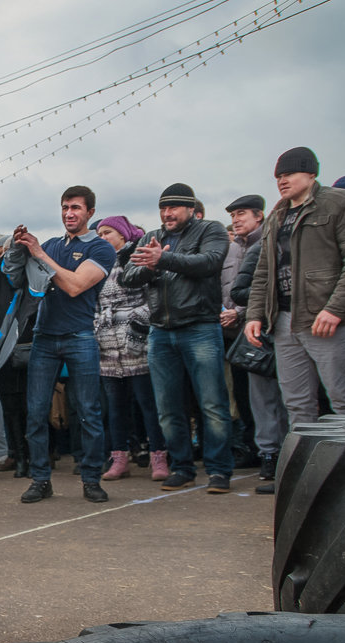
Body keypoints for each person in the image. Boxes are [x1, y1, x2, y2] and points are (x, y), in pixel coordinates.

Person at [120, 183, 233, 493]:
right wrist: (152, 267)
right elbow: (127, 276)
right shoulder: (150, 237)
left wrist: (163, 260)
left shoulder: (211, 230)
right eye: (162, 209)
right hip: (161, 332)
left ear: (190, 209)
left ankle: (220, 470)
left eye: (173, 208)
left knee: (212, 404)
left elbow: (208, 263)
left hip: (200, 327)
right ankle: (182, 467)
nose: (167, 214)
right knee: (168, 408)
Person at [8, 186, 115, 504]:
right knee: (36, 413)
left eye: (77, 208)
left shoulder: (101, 248)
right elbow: (20, 281)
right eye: (66, 207)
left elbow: (75, 285)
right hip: (44, 337)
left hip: (80, 336)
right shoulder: (53, 244)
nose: (70, 213)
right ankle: (41, 480)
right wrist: (21, 249)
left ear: (90, 213)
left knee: (88, 412)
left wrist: (39, 253)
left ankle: (91, 479)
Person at [244, 146, 345, 427]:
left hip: (326, 319)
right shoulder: (277, 214)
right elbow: (263, 273)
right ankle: (307, 468)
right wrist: (254, 315)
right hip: (284, 321)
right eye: (278, 176)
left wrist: (335, 309)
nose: (282, 180)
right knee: (296, 402)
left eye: (289, 173)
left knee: (344, 400)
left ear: (311, 173)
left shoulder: (341, 202)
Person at [93, 215, 168, 482]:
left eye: (107, 233)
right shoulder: (96, 265)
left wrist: (135, 319)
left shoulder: (135, 258)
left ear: (123, 237)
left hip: (136, 341)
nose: (101, 237)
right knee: (115, 405)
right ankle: (119, 458)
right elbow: (93, 303)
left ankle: (159, 456)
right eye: (99, 233)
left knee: (147, 403)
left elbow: (154, 297)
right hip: (106, 345)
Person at [226, 194, 287, 487]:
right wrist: (275, 297)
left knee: (296, 398)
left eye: (242, 214)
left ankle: (296, 457)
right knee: (262, 398)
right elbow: (239, 290)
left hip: (298, 327)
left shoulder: (284, 238)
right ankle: (269, 456)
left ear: (260, 216)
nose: (236, 220)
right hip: (258, 332)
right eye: (233, 215)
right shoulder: (252, 248)